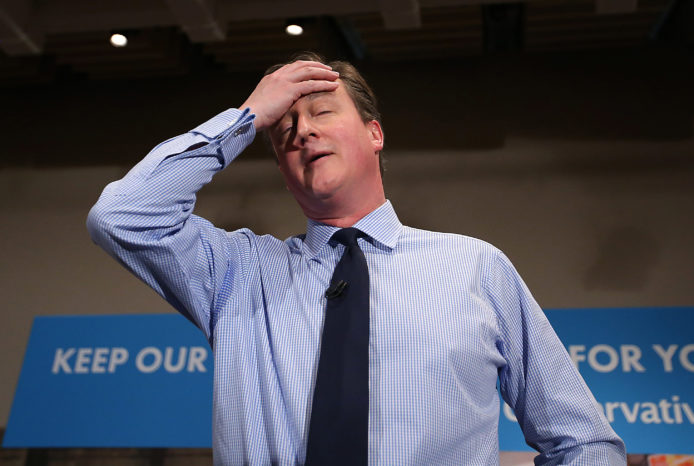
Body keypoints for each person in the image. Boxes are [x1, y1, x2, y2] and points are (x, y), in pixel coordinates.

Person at [87, 52, 626, 465]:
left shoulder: (475, 268)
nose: (303, 130)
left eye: (322, 111)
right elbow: (123, 217)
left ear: (375, 134)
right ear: (279, 163)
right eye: (284, 128)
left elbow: (584, 442)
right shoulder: (237, 272)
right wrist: (247, 118)